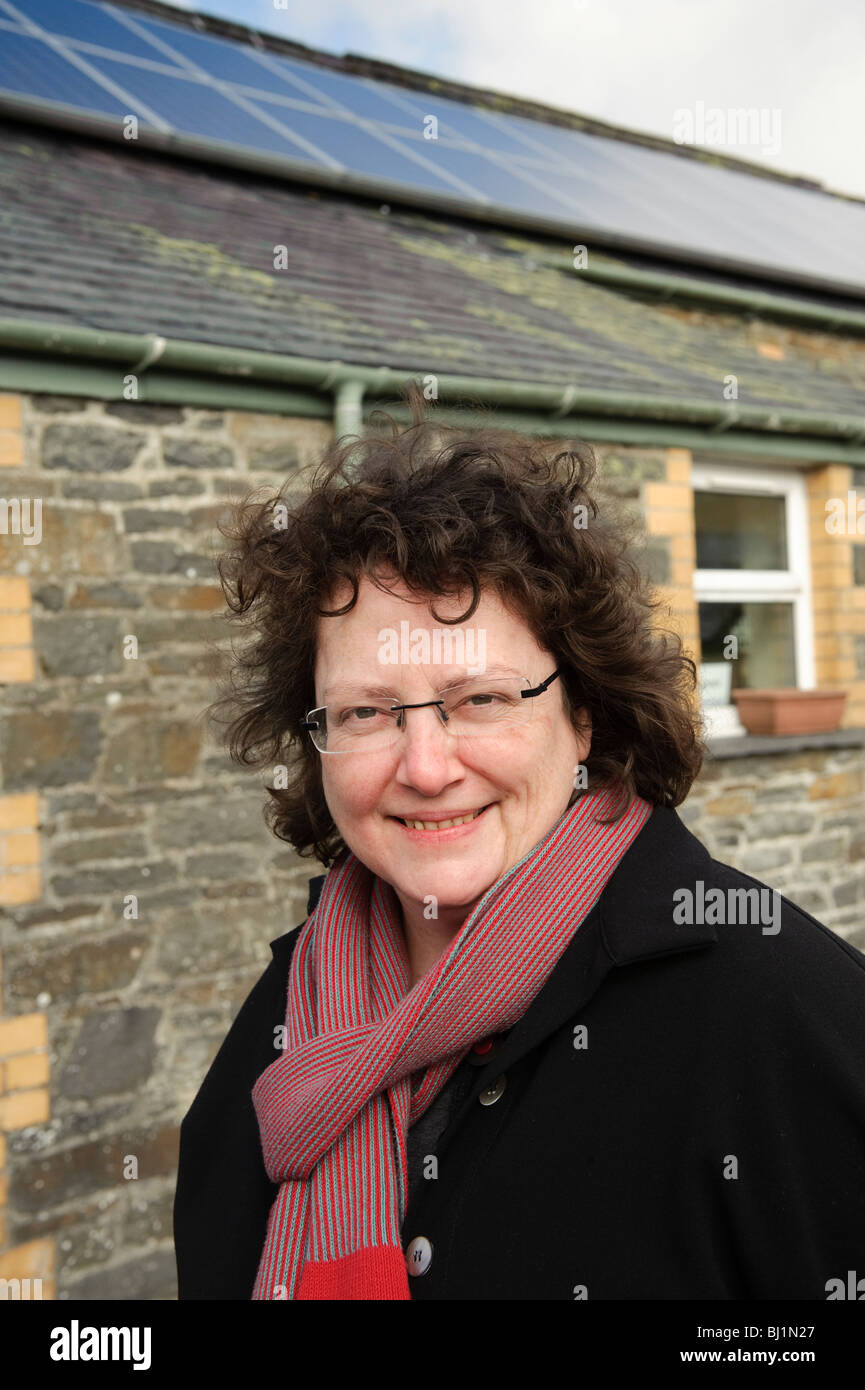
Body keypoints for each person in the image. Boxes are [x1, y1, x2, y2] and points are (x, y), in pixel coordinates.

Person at [173, 390, 865, 1300]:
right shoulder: (287, 1009)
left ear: (582, 714)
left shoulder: (780, 1015)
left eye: (482, 700)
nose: (425, 766)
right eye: (367, 712)